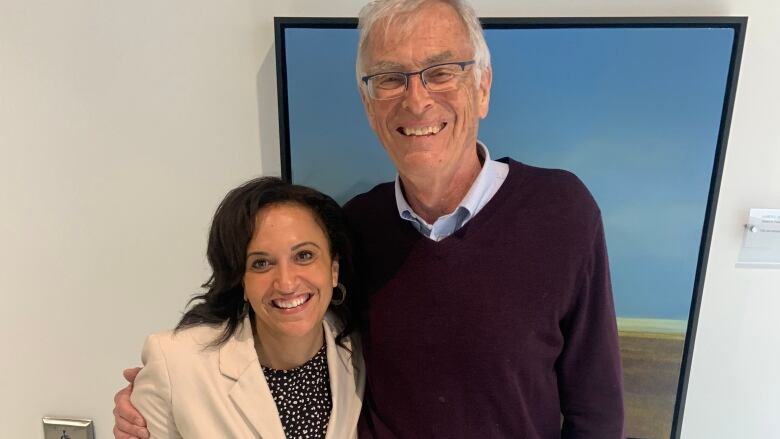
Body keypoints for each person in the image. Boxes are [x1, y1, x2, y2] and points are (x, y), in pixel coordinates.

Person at [115, 0, 623, 437]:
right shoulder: (356, 226)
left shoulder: (563, 211)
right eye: (389, 78)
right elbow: (282, 313)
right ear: (368, 103)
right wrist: (163, 386)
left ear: (483, 88)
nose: (417, 99)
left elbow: (596, 409)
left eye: (441, 71)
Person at [125, 177, 364, 438]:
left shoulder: (362, 352)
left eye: (304, 255)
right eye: (261, 263)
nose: (286, 283)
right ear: (241, 280)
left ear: (333, 269)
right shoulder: (175, 363)